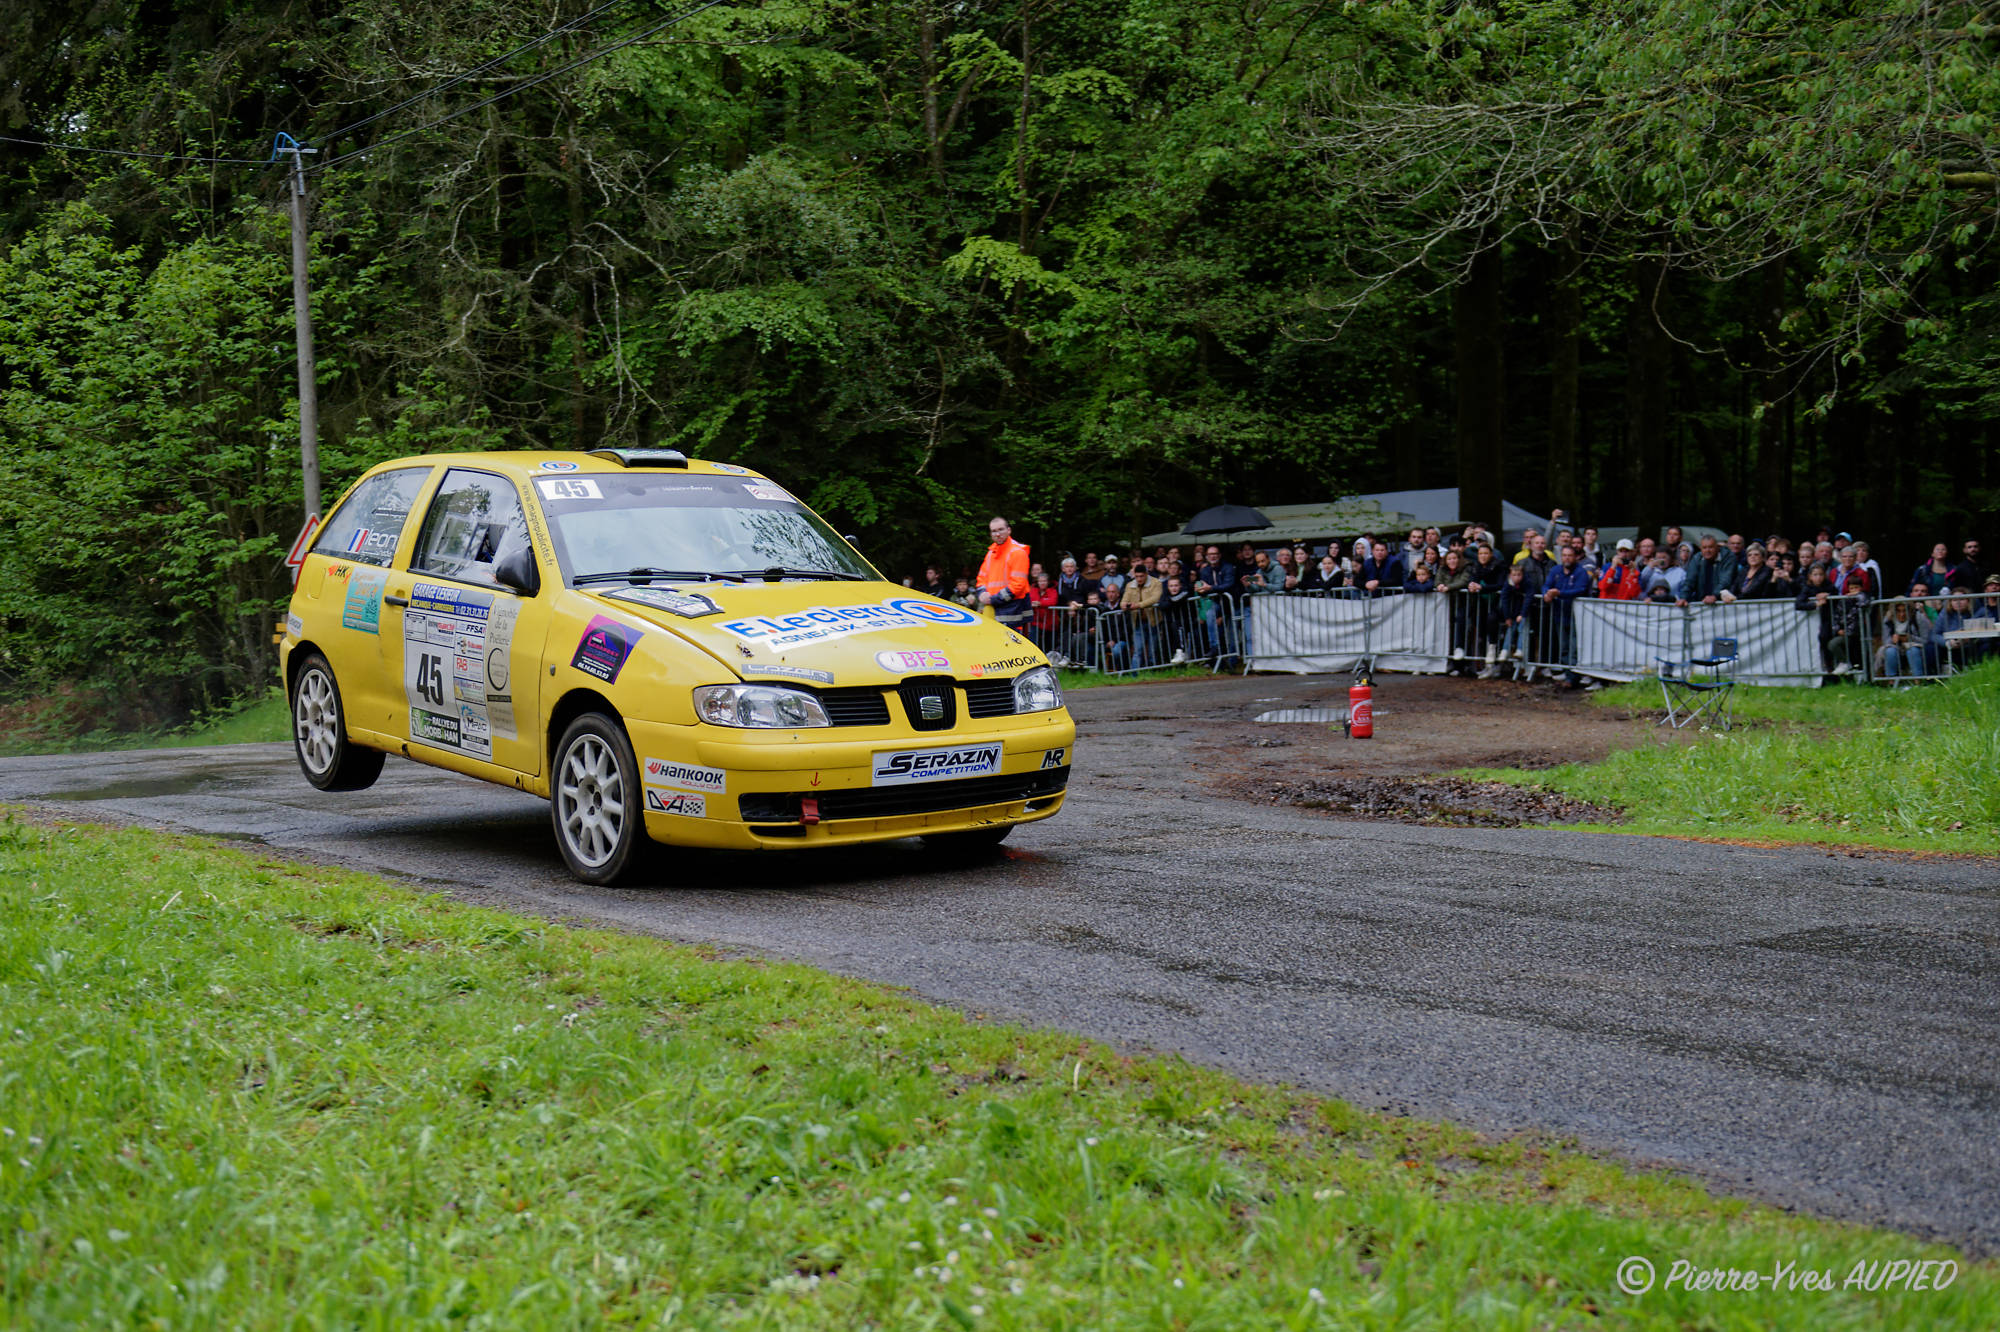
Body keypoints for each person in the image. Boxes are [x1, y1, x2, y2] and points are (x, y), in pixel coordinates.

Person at [1540, 542, 1595, 686]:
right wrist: (1546, 593)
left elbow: (1580, 589)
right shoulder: (1556, 570)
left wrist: (1559, 593)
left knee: (1574, 646)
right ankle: (1567, 672)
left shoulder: (1581, 572)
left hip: (1576, 614)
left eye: (1570, 556)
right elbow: (1546, 584)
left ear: (1575, 557)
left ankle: (1573, 676)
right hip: (1559, 613)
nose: (1567, 558)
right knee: (1563, 645)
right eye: (1564, 555)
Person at [976, 516, 1032, 630]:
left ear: (1009, 530)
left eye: (1001, 529)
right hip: (992, 607)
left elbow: (1018, 585)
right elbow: (981, 578)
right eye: (994, 531)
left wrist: (992, 599)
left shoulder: (1017, 552)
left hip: (1012, 608)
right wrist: (982, 593)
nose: (997, 534)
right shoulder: (991, 553)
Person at [1490, 562, 1533, 673]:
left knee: (1522, 628)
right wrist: (1507, 616)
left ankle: (1519, 649)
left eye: (1519, 575)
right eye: (1514, 575)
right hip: (1512, 610)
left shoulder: (1527, 582)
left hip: (1523, 610)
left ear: (1522, 575)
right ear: (1510, 575)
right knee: (1510, 628)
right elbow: (1504, 600)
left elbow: (1529, 598)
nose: (1516, 577)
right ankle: (1505, 649)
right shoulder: (1508, 584)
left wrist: (1522, 614)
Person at [1119, 565, 1164, 667]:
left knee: (1153, 650)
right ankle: (1135, 673)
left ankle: (1153, 672)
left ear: (1146, 574)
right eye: (1137, 576)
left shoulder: (1156, 583)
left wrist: (1139, 605)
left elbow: (1156, 598)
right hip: (1138, 621)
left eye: (1141, 576)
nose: (1139, 579)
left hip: (1153, 621)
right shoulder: (1130, 585)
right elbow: (1124, 600)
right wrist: (1124, 605)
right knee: (1137, 650)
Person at [1874, 598, 1927, 682]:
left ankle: (1918, 681)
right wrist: (1893, 639)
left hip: (1915, 647)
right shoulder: (1888, 619)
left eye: (1904, 611)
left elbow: (1925, 640)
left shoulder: (1918, 617)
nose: (1902, 614)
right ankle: (1891, 681)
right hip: (1895, 648)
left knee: (1913, 651)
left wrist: (1910, 638)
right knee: (1890, 651)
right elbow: (1885, 641)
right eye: (1898, 611)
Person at [1681, 534, 1738, 606]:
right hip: (1702, 601)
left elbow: (1725, 581)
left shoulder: (1728, 557)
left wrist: (1714, 595)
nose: (1707, 550)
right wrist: (1683, 598)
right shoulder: (1697, 558)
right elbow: (1689, 581)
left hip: (1724, 603)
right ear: (1700, 548)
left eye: (1710, 547)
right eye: (1704, 548)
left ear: (1717, 547)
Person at [1027, 569, 1059, 650]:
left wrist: (1040, 603)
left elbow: (1053, 601)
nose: (1042, 583)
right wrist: (1031, 604)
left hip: (1049, 624)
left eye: (1044, 581)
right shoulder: (1033, 590)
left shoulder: (1053, 591)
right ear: (1037, 582)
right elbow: (1028, 600)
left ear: (1048, 582)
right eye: (1040, 581)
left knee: (1048, 645)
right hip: (1036, 622)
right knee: (1033, 642)